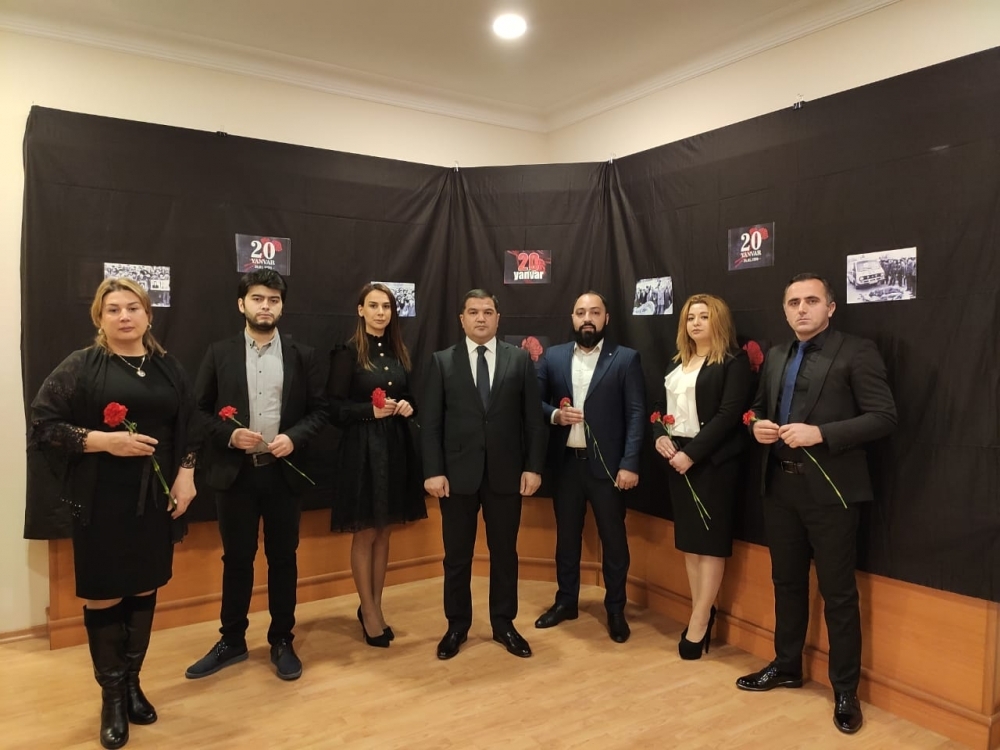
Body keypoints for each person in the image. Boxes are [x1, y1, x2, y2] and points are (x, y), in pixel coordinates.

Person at [27, 277, 199, 749]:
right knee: (104, 594)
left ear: (148, 315)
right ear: (99, 319)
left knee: (144, 585)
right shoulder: (82, 365)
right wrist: (103, 441)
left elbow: (190, 425)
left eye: (132, 308)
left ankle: (132, 684)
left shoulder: (168, 367)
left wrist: (186, 474)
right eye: (113, 309)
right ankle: (112, 699)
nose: (124, 316)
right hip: (101, 500)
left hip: (156, 500)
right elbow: (44, 425)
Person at [735, 273, 896, 735]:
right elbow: (756, 409)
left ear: (830, 307)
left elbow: (884, 416)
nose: (801, 309)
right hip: (779, 489)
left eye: (811, 301)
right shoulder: (777, 355)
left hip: (832, 494)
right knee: (786, 583)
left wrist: (821, 433)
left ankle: (845, 690)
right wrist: (756, 426)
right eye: (793, 302)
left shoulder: (857, 351)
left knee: (838, 593)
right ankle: (787, 666)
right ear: (785, 310)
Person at [186, 269, 328, 682]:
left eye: (273, 300)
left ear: (282, 306)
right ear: (241, 304)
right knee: (237, 560)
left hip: (283, 474)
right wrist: (229, 435)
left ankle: (282, 639)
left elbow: (320, 411)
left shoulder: (302, 354)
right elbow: (198, 411)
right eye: (258, 299)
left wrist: (294, 438)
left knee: (283, 559)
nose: (266, 306)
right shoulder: (219, 352)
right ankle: (232, 639)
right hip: (236, 476)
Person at [422, 289, 547, 660]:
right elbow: (431, 424)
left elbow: (533, 421)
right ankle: (456, 626)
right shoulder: (442, 361)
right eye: (473, 312)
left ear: (498, 318)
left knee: (505, 554)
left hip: (506, 475)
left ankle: (504, 624)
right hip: (456, 477)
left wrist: (533, 467)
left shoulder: (519, 359)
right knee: (456, 556)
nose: (481, 318)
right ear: (461, 319)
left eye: (488, 312)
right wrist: (433, 471)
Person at [535, 291, 645, 643]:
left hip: (609, 470)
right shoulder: (552, 357)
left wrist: (629, 463)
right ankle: (566, 601)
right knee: (566, 539)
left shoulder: (625, 358)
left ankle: (615, 609)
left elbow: (636, 414)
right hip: (566, 465)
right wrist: (555, 414)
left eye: (595, 312)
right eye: (581, 312)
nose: (587, 318)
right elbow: (531, 400)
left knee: (614, 541)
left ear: (606, 318)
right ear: (572, 318)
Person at [328, 283, 427, 648]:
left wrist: (408, 406)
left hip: (395, 447)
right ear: (361, 310)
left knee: (384, 531)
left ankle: (375, 605)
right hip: (362, 450)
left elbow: (410, 396)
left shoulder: (399, 351)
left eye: (386, 306)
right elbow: (333, 409)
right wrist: (369, 412)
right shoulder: (347, 352)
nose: (381, 312)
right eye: (373, 306)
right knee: (366, 531)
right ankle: (369, 612)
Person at [654, 294, 752, 659]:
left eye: (704, 316)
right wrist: (659, 436)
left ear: (719, 321)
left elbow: (729, 416)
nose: (695, 323)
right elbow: (660, 409)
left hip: (712, 463)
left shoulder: (733, 361)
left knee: (709, 544)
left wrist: (692, 455)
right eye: (690, 317)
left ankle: (698, 621)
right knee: (691, 543)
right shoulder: (677, 361)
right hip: (677, 459)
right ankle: (701, 609)